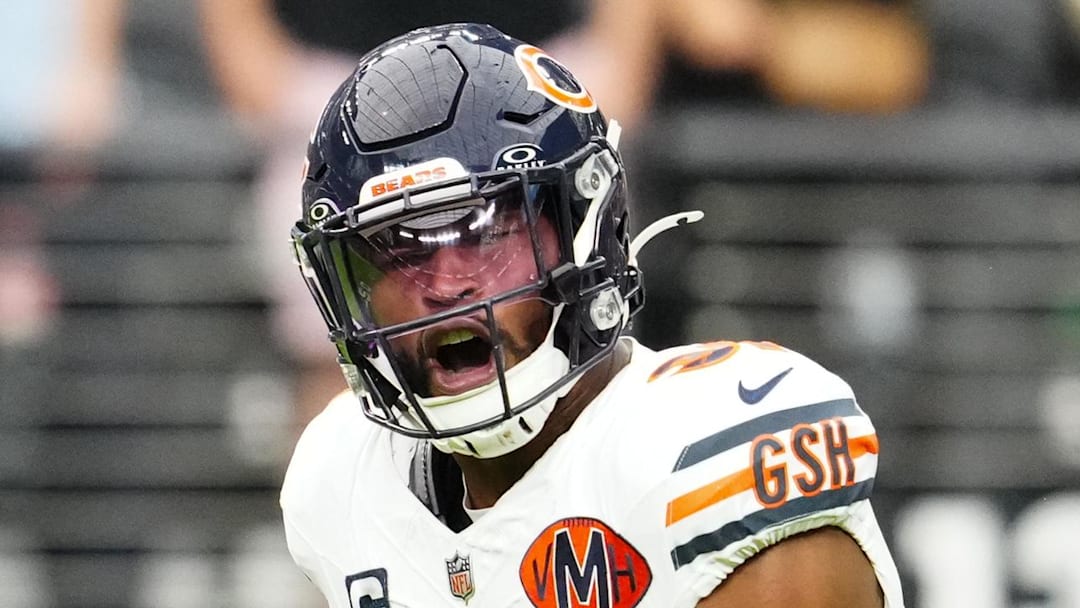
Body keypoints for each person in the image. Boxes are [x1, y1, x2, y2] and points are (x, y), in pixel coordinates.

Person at [280, 23, 903, 607]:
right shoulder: (342, 478)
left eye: (489, 232)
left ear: (586, 229)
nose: (446, 285)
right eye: (399, 249)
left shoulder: (707, 452)